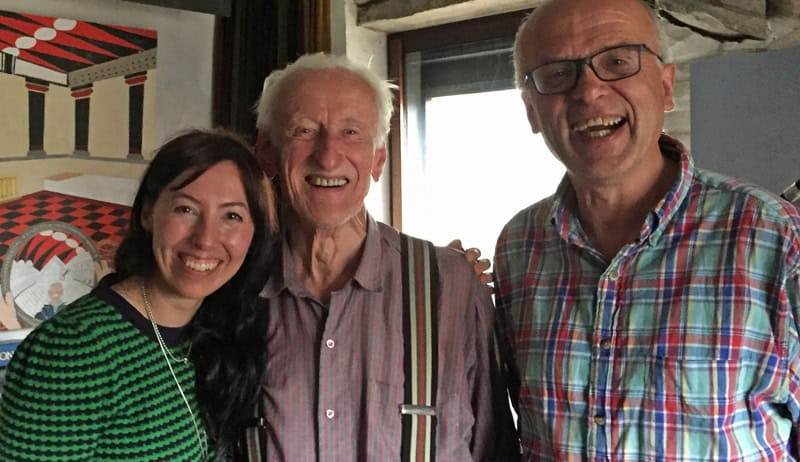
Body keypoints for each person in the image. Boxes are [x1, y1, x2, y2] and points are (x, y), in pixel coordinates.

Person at [493, 0, 800, 460]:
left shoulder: (773, 236)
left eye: (618, 62)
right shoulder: (519, 246)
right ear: (532, 113)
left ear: (665, 86)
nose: (589, 92)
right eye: (557, 74)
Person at [244, 53, 517, 461]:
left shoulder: (450, 285)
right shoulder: (234, 289)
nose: (329, 156)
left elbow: (495, 451)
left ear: (378, 159)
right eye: (303, 130)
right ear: (266, 153)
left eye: (351, 132)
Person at [0, 129, 277, 461]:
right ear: (148, 213)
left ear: (253, 234)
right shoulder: (76, 351)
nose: (205, 239)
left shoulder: (211, 331)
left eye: (232, 216)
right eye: (186, 209)